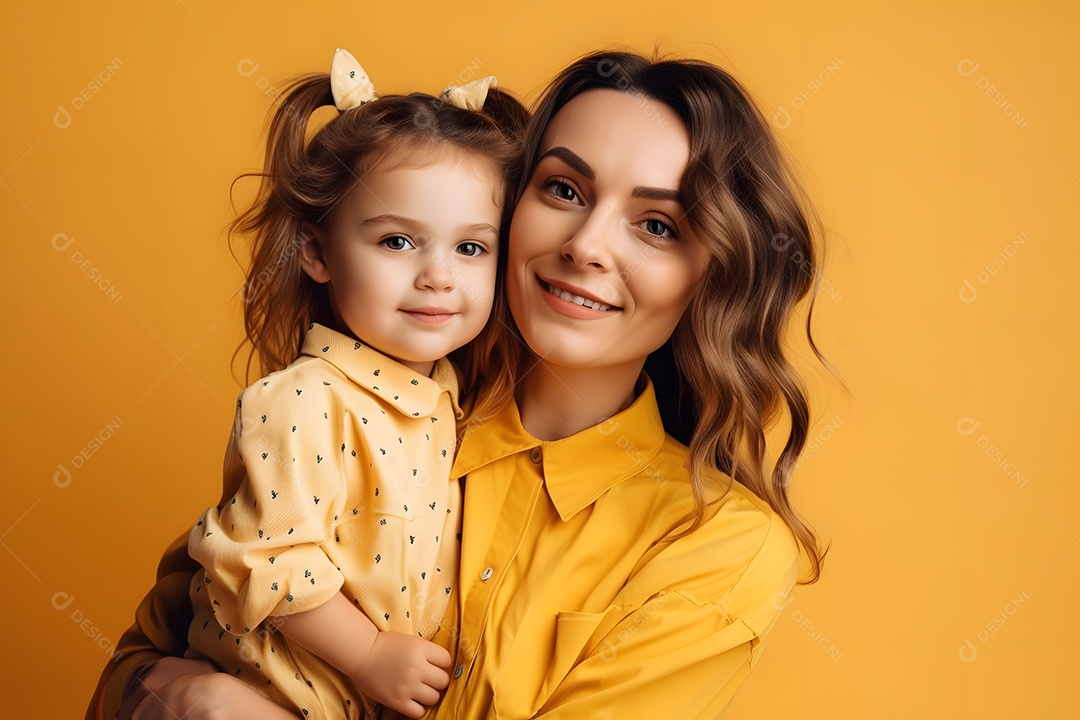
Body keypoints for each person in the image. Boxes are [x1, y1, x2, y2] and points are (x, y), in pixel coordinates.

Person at [87, 49, 825, 720]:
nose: (586, 246)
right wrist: (184, 694)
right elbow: (156, 650)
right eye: (564, 189)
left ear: (715, 275)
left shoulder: (718, 544)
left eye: (659, 225)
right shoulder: (366, 404)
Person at [110, 48, 528, 720]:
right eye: (398, 241)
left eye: (471, 247)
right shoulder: (305, 399)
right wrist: (367, 655)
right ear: (317, 252)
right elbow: (265, 559)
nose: (439, 276)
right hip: (265, 698)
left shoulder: (453, 398)